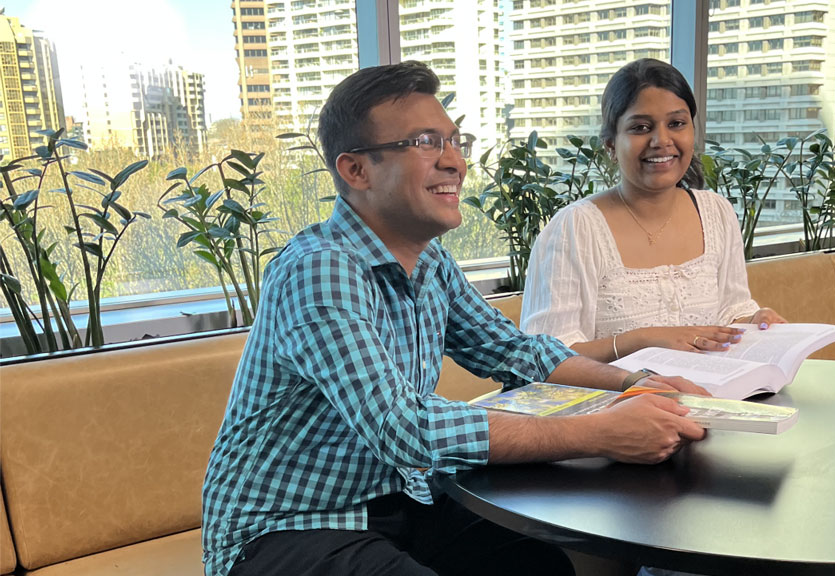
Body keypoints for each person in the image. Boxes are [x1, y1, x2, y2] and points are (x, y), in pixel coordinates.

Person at [201, 61, 711, 576]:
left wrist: (636, 384)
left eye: (454, 140)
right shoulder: (320, 270)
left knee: (539, 566)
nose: (454, 162)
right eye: (425, 142)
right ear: (355, 170)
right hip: (286, 526)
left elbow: (517, 351)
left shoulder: (429, 261)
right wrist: (601, 431)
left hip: (404, 501)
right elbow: (403, 427)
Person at [521, 58, 785, 363]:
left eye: (676, 124)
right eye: (641, 127)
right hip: (615, 406)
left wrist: (754, 322)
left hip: (710, 399)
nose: (662, 141)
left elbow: (730, 312)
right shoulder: (574, 229)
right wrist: (642, 340)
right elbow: (543, 357)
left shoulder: (716, 213)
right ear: (610, 144)